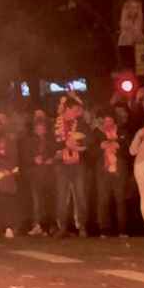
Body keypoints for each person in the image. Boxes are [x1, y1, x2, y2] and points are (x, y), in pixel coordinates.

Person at [89, 111, 129, 237]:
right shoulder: (97, 135)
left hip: (119, 171)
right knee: (103, 200)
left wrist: (119, 146)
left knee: (120, 200)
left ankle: (122, 229)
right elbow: (91, 153)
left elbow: (129, 151)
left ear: (114, 122)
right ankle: (104, 229)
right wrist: (101, 147)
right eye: (105, 122)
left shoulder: (122, 133)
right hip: (103, 172)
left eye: (110, 122)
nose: (107, 124)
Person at [53, 98, 87, 237]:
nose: (77, 113)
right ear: (67, 110)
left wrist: (77, 147)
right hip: (61, 165)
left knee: (80, 195)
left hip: (78, 164)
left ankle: (82, 226)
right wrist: (62, 149)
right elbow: (52, 144)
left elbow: (88, 143)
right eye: (75, 110)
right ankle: (62, 227)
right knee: (62, 196)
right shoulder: (56, 124)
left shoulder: (81, 125)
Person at [21, 109, 56, 235]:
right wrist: (34, 160)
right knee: (37, 201)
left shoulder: (50, 140)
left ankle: (49, 225)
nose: (40, 130)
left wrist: (51, 160)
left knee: (48, 201)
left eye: (42, 128)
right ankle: (37, 224)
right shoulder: (29, 140)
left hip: (49, 175)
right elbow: (24, 157)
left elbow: (55, 153)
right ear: (35, 128)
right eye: (38, 128)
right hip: (35, 175)